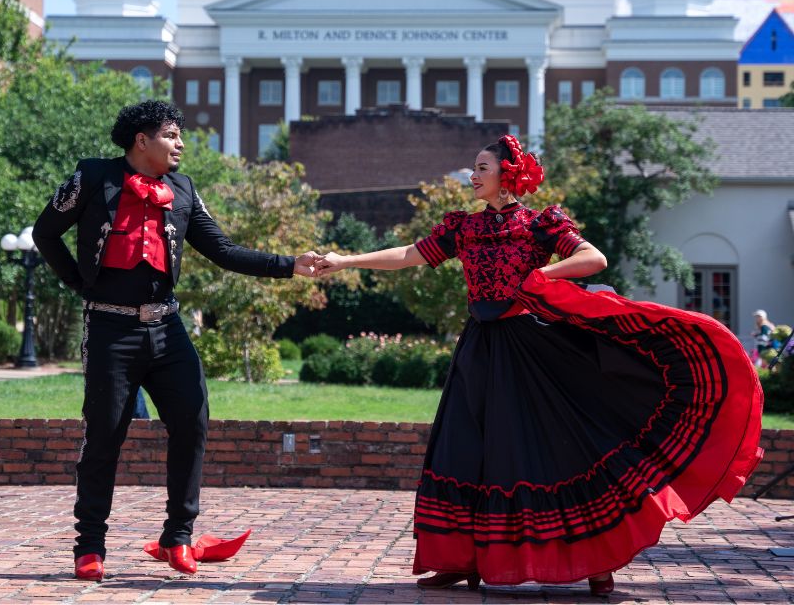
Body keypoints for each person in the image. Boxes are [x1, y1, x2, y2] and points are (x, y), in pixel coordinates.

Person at [315, 134, 763, 596]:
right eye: (475, 167)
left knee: (551, 449)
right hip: (478, 350)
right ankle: (459, 558)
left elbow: (594, 258)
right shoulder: (463, 228)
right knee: (465, 448)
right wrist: (344, 260)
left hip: (530, 350)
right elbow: (410, 255)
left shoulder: (538, 225)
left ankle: (595, 559)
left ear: (507, 175)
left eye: (482, 168)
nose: (474, 175)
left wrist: (542, 275)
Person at [33, 100, 320, 583]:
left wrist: (290, 264)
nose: (181, 143)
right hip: (109, 330)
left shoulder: (183, 189)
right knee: (104, 435)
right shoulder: (91, 176)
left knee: (193, 422)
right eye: (171, 134)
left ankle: (178, 537)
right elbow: (45, 233)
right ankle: (89, 547)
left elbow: (225, 251)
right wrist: (80, 284)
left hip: (167, 330)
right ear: (141, 140)